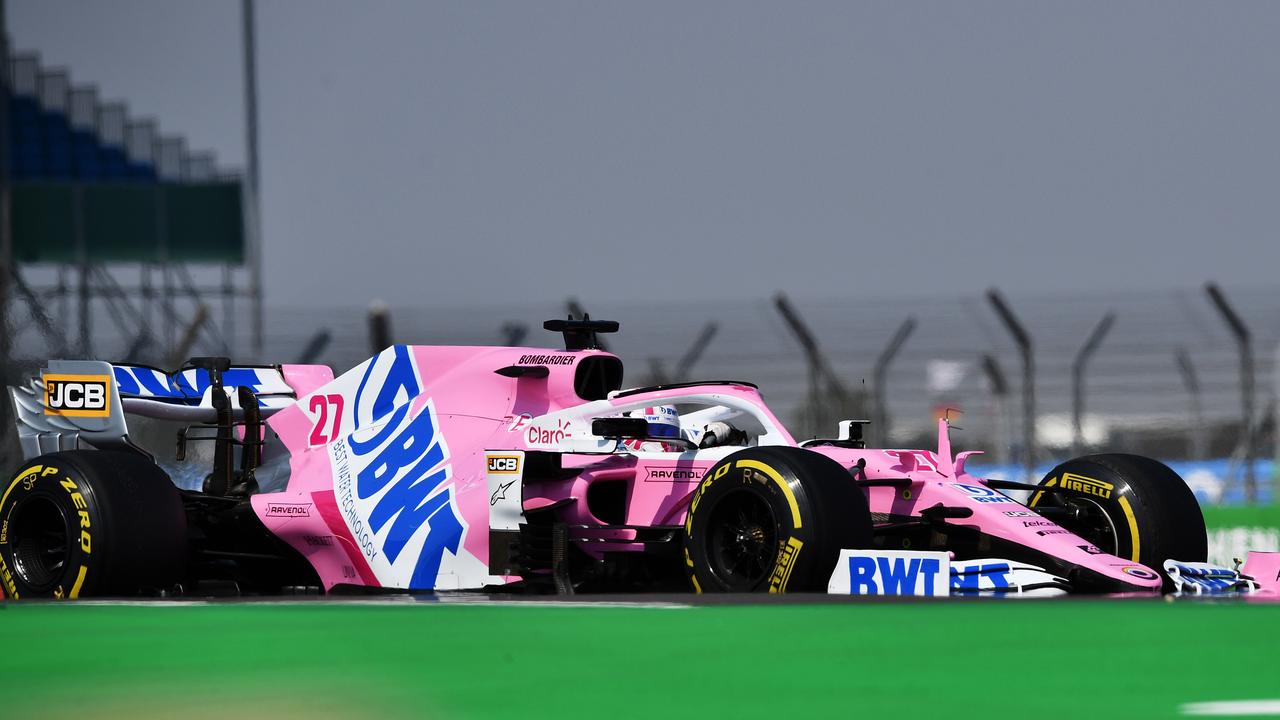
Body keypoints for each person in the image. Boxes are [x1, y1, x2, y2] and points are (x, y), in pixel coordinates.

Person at [620, 404, 747, 452]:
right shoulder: (611, 449)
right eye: (657, 431)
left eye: (669, 432)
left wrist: (714, 435)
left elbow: (719, 429)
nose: (665, 441)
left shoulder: (684, 445)